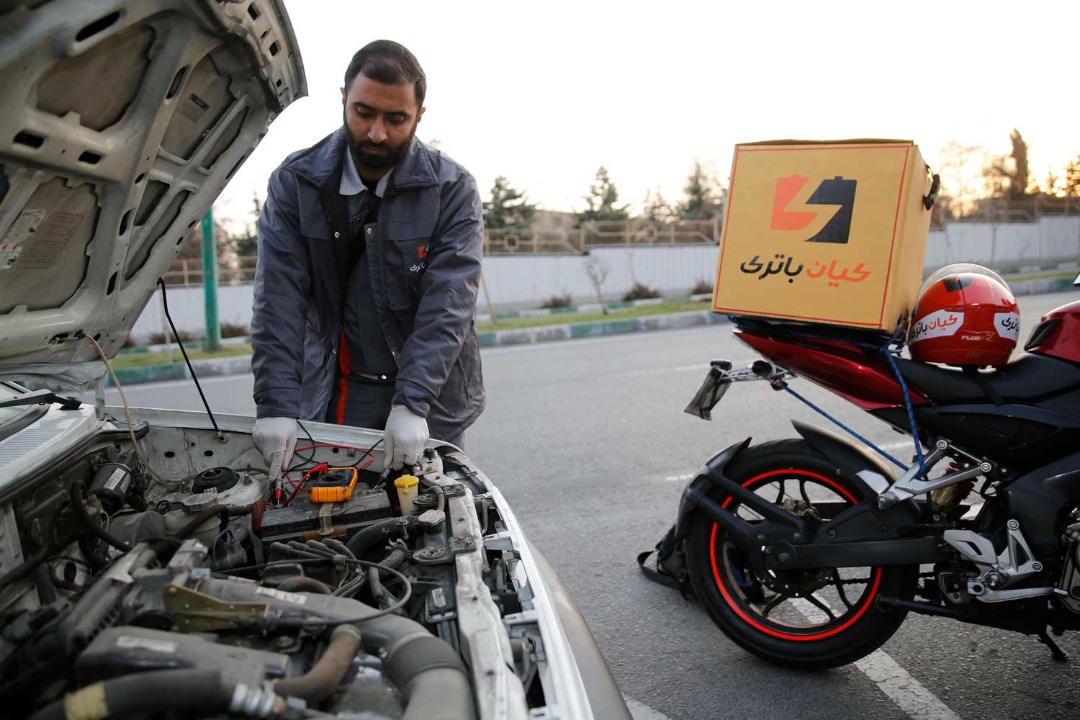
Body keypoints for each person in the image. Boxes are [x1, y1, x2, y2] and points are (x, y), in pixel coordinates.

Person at [249, 40, 485, 482]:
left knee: (432, 511)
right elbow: (278, 299)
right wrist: (276, 404)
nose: (377, 133)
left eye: (396, 119)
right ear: (344, 99)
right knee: (334, 511)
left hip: (427, 400)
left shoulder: (452, 190)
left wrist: (412, 403)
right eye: (364, 112)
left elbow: (448, 304)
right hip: (338, 391)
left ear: (419, 116)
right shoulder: (295, 183)